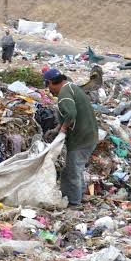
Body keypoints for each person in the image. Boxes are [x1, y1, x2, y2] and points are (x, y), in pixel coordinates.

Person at [43, 69, 99, 207]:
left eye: (47, 85)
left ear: (50, 82)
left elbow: (71, 114)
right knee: (71, 169)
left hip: (82, 139)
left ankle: (74, 203)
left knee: (73, 170)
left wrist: (62, 130)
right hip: (88, 135)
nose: (49, 89)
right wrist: (56, 129)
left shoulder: (64, 94)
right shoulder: (71, 87)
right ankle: (72, 196)